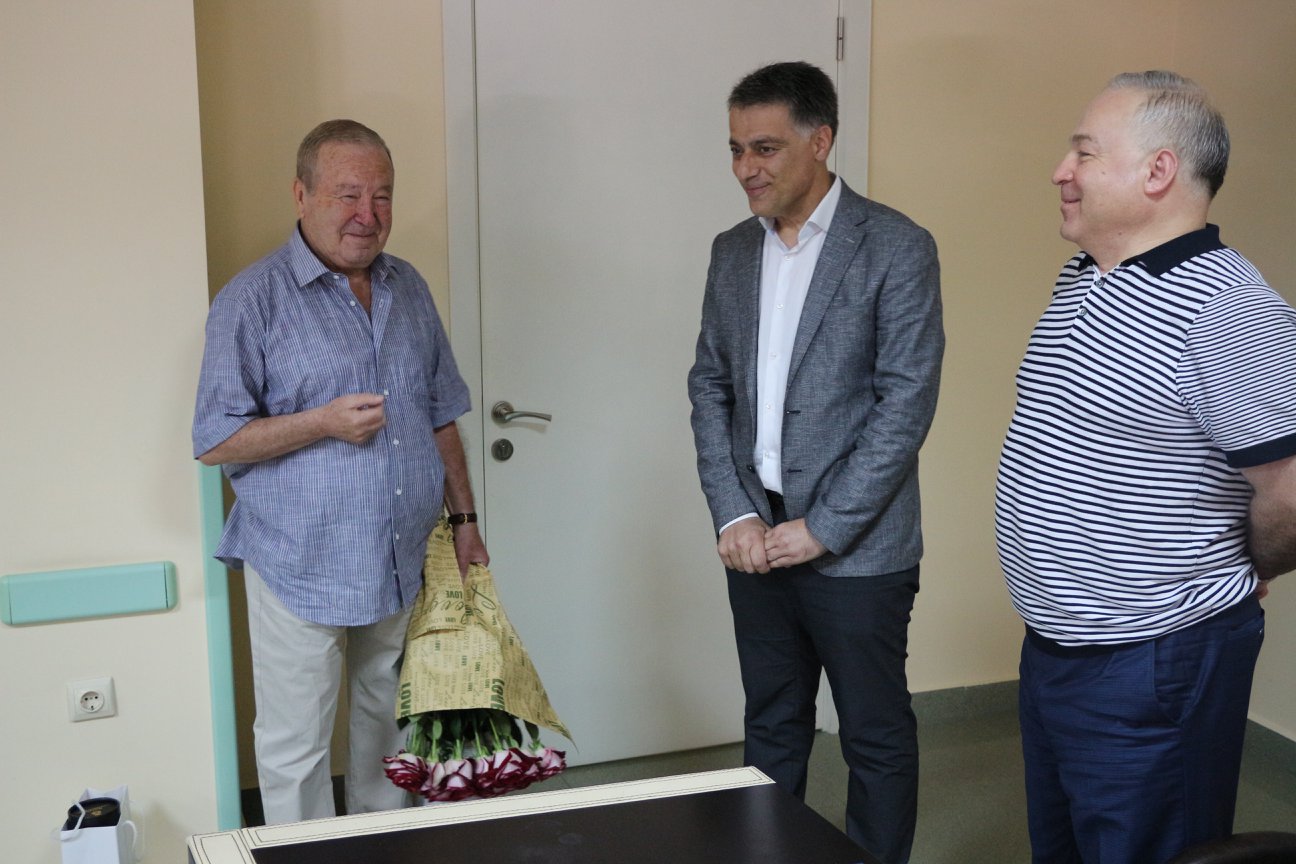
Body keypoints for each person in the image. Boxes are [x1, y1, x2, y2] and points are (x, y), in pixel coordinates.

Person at [996, 71, 1296, 864]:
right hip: (1059, 647)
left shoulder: (1228, 310)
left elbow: (1292, 490)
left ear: (1158, 171)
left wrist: (1248, 564)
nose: (1061, 171)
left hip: (1155, 658)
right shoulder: (1085, 278)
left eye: (1084, 153)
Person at [192, 119, 488, 824]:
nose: (367, 214)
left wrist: (465, 521)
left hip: (399, 555)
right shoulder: (252, 299)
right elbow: (215, 440)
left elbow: (441, 412)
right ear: (301, 195)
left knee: (387, 720)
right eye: (347, 195)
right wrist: (321, 422)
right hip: (299, 561)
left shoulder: (407, 286)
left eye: (382, 196)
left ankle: (382, 844)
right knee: (296, 743)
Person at [687, 61, 944, 864]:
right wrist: (733, 511)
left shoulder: (896, 246)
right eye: (735, 149)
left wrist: (824, 528)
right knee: (770, 725)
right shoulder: (733, 251)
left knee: (874, 735)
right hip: (755, 542)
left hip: (858, 551)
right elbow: (709, 386)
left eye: (764, 148)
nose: (746, 168)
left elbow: (905, 406)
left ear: (821, 140)